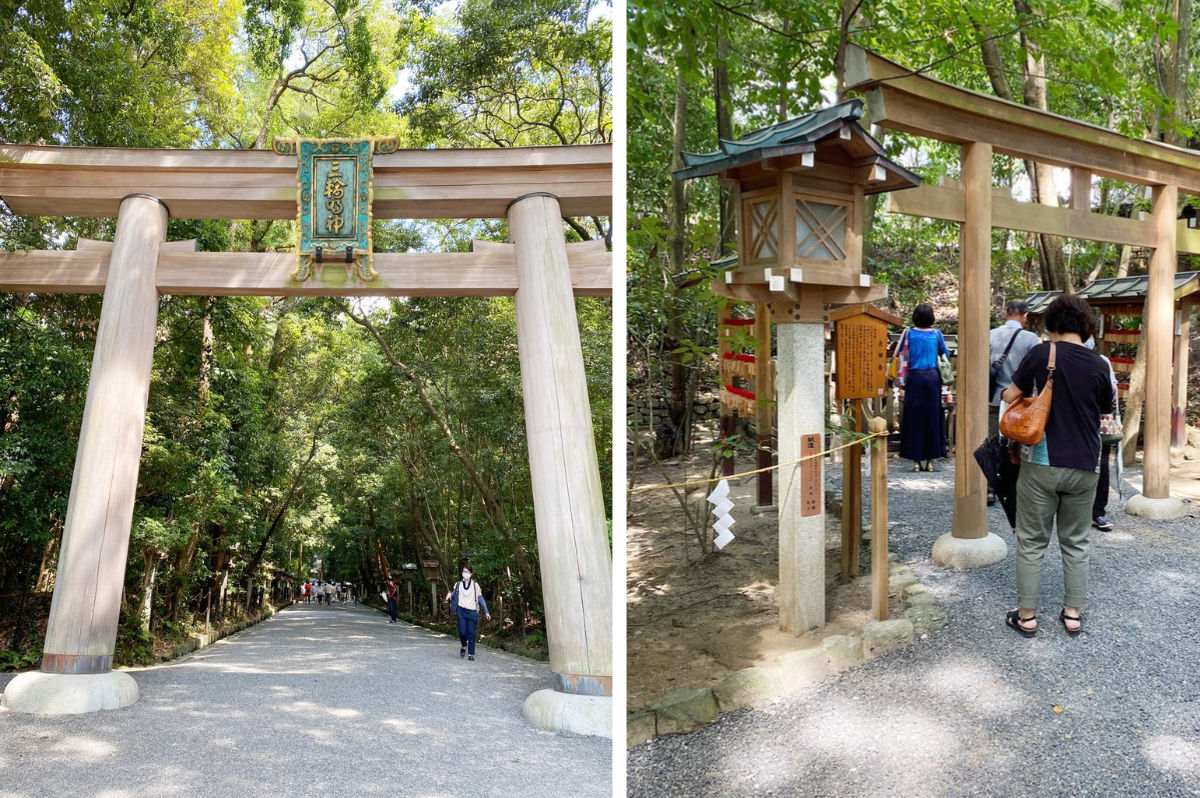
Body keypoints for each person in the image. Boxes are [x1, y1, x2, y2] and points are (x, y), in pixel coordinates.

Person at [1001, 293, 1113, 638]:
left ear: (1052, 324)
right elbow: (1105, 411)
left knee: (1033, 541)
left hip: (1042, 463)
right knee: (1076, 541)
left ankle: (1027, 615)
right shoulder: (1100, 364)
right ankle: (1073, 613)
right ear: (1086, 326)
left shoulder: (1040, 354)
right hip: (1086, 465)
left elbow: (1009, 396)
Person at [988, 300, 1041, 504]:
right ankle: (1016, 487)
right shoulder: (1030, 339)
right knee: (1018, 444)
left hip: (993, 398)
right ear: (1025, 316)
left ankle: (989, 488)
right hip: (1021, 403)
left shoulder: (990, 335)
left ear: (1005, 313)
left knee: (992, 442)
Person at [898, 303, 949, 472]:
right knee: (933, 416)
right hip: (932, 377)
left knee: (914, 417)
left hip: (914, 377)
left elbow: (901, 354)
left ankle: (916, 460)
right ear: (931, 317)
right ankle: (931, 459)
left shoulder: (909, 333)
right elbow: (945, 354)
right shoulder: (936, 334)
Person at [1085, 337, 1119, 531]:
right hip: (1083, 420)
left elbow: (1112, 391)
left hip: (1098, 420)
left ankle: (1098, 511)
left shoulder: (1102, 360)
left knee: (1102, 463)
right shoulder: (1101, 360)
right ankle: (1094, 512)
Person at [445, 565, 491, 661]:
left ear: (471, 574)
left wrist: (486, 611)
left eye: (467, 572)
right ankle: (463, 645)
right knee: (462, 632)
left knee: (471, 633)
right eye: (464, 571)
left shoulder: (475, 585)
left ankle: (471, 654)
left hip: (472, 612)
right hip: (461, 610)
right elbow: (453, 594)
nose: (465, 573)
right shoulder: (458, 584)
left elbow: (480, 598)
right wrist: (449, 595)